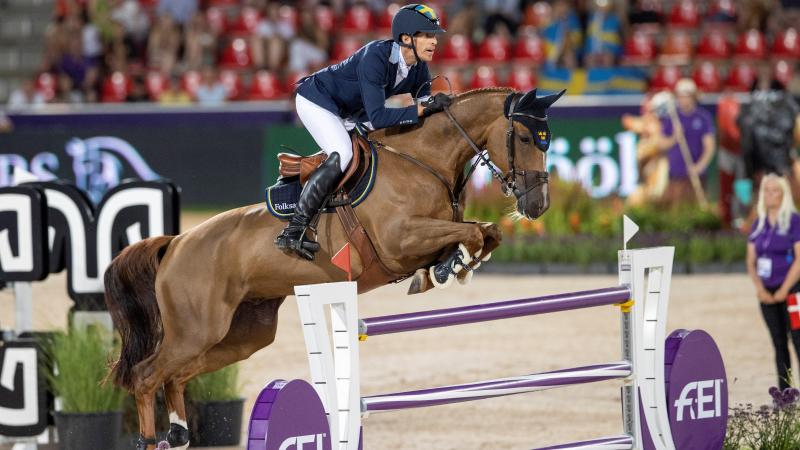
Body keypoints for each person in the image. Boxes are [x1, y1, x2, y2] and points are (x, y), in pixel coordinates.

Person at [274, 3, 452, 260]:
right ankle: (294, 229)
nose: (433, 42)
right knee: (343, 154)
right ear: (405, 38)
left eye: (434, 36)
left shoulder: (419, 68)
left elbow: (423, 109)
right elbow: (381, 117)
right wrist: (422, 110)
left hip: (353, 112)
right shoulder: (376, 57)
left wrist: (439, 107)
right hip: (318, 100)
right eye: (426, 35)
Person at [747, 173, 800, 390]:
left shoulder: (794, 221)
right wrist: (760, 289)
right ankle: (785, 392)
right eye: (766, 191)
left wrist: (785, 289)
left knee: (798, 339)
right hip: (767, 293)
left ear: (783, 194)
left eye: (775, 190)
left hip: (793, 292)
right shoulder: (758, 223)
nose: (770, 195)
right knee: (779, 343)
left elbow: (799, 259)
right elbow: (751, 260)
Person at [659, 78, 716, 205]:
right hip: (675, 174)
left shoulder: (703, 117)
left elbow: (710, 147)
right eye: (680, 96)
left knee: (696, 208)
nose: (683, 100)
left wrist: (699, 166)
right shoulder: (671, 118)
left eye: (687, 96)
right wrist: (675, 137)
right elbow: (662, 144)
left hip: (696, 175)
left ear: (694, 97)